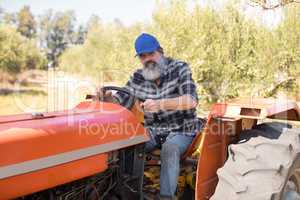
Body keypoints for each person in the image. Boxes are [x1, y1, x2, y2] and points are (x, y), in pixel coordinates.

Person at [99, 33, 200, 200]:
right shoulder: (139, 77)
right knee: (127, 144)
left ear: (161, 52)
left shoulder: (180, 69)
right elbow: (121, 100)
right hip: (154, 131)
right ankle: (124, 191)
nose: (147, 59)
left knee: (170, 148)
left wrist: (160, 104)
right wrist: (107, 98)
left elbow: (191, 100)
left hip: (182, 129)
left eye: (151, 54)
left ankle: (166, 197)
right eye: (142, 56)